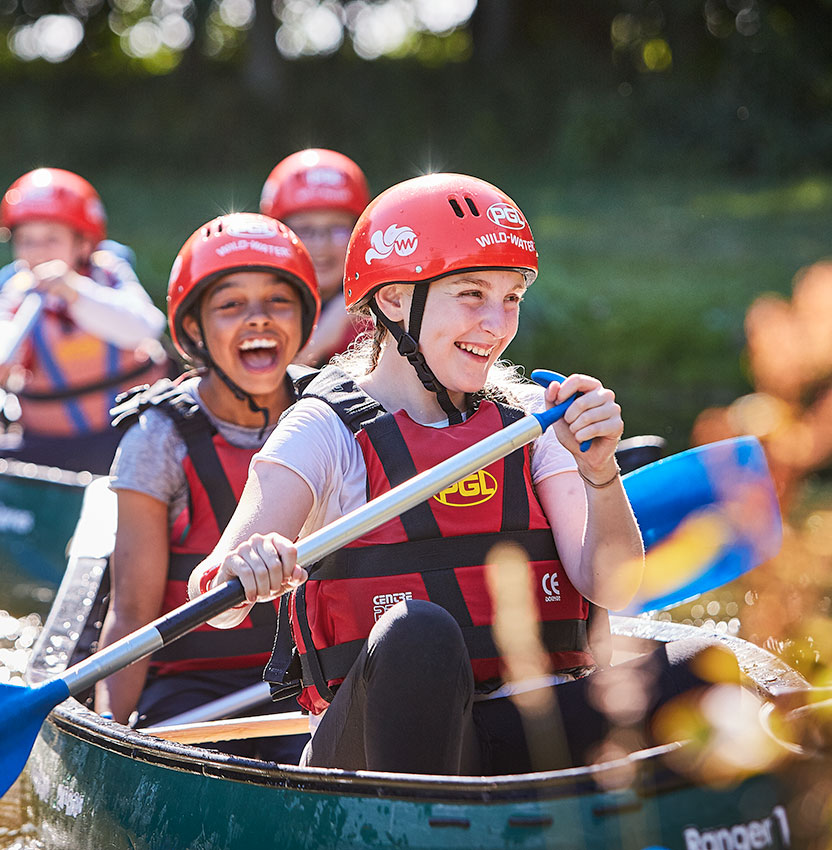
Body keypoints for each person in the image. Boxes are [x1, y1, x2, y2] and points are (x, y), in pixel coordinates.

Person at [189, 173, 731, 775]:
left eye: (512, 299)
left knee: (707, 665)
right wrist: (243, 567)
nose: (497, 325)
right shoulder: (321, 429)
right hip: (378, 750)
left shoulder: (532, 421)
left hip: (522, 736)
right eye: (472, 294)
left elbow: (615, 587)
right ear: (394, 300)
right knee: (417, 634)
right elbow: (217, 603)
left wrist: (600, 472)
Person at [94, 213, 320, 763]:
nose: (258, 320)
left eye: (278, 302)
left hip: (310, 681)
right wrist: (106, 733)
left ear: (305, 317)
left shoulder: (332, 415)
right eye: (231, 305)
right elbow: (132, 613)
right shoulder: (159, 436)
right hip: (191, 693)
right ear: (194, 329)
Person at [0, 167, 169, 474]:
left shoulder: (109, 274)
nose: (38, 253)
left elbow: (147, 326)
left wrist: (75, 291)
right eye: (26, 241)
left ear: (83, 244)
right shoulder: (16, 287)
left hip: (130, 434)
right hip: (48, 445)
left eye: (51, 239)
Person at [260, 149, 373, 367]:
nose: (322, 244)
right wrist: (323, 337)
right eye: (306, 230)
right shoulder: (255, 305)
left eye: (338, 228)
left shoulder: (382, 309)